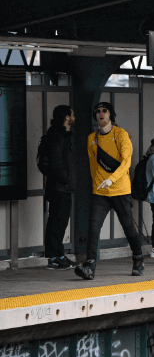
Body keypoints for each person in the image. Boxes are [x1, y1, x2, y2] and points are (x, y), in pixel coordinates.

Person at [75, 102, 144, 280]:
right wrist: (97, 184)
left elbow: (126, 162)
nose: (101, 114)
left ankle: (138, 258)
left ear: (111, 114)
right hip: (101, 193)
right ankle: (89, 265)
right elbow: (92, 165)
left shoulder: (121, 135)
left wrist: (111, 179)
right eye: (98, 111)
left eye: (104, 111)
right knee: (93, 228)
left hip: (120, 190)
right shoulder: (92, 138)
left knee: (128, 227)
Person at [43, 105, 76, 270]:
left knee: (58, 223)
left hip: (60, 187)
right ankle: (54, 257)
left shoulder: (60, 135)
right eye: (73, 115)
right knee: (57, 223)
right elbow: (56, 163)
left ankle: (58, 255)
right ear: (67, 117)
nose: (75, 118)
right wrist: (67, 179)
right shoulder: (58, 136)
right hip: (60, 187)